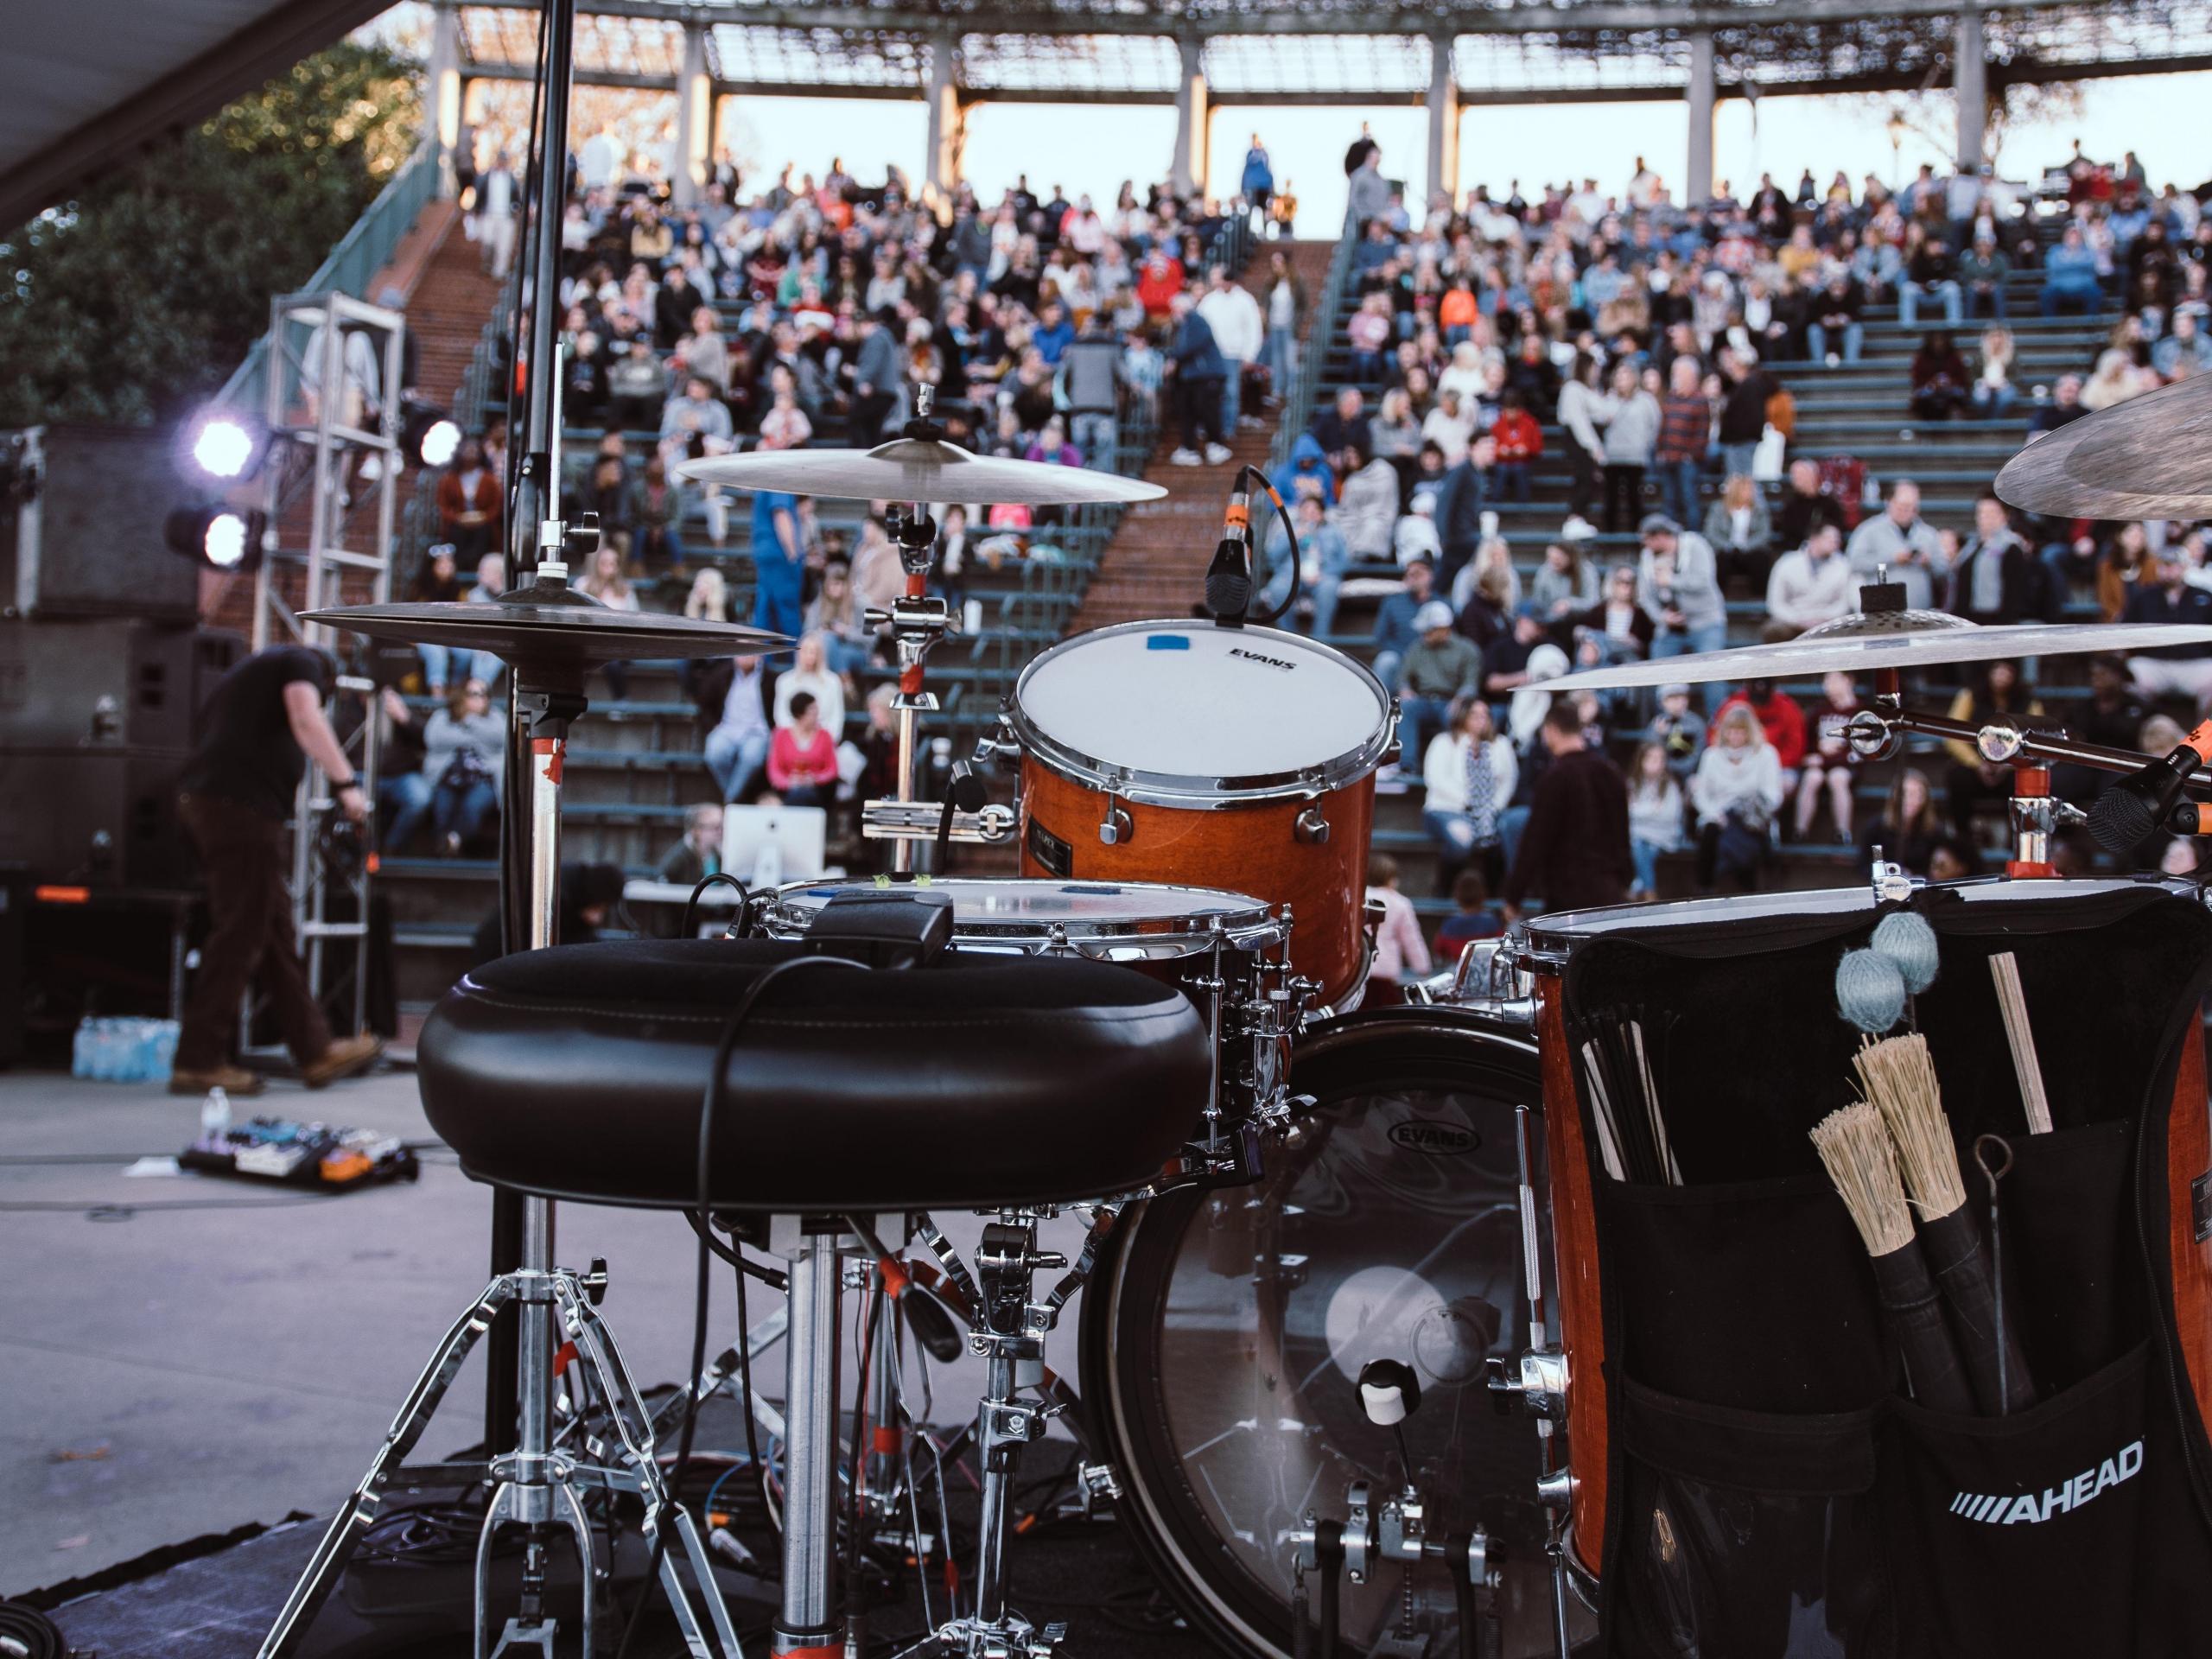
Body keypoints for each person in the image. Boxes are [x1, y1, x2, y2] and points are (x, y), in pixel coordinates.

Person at [169, 645, 383, 1096]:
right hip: (239, 809)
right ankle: (197, 1060)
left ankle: (314, 1050)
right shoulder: (302, 662)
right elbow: (305, 717)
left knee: (273, 933)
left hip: (224, 806)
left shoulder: (249, 678)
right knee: (242, 931)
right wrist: (347, 785)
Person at [1500, 698, 1634, 917]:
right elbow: (1623, 834)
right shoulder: (1611, 773)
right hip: (1608, 891)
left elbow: (1535, 840)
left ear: (1551, 729)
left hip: (1567, 898)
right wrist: (1625, 879)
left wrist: (1514, 896)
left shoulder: (1555, 777)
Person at [1422, 696, 1516, 895]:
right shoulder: (1444, 742)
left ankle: (1493, 895)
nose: (1481, 719)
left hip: (1491, 809)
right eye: (1475, 714)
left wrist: (1494, 806)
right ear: (1463, 716)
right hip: (1447, 809)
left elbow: (1509, 779)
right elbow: (1435, 779)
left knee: (1501, 835)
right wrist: (1469, 802)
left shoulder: (1500, 744)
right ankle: (1443, 890)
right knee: (1461, 840)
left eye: (1485, 714)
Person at [1942, 659, 2045, 837]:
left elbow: (2039, 742)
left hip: (2011, 769)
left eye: (2008, 671)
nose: (2002, 676)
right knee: (1957, 777)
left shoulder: (2029, 702)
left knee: (2025, 783)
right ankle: (1963, 836)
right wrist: (1977, 763)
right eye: (1998, 670)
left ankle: (2017, 838)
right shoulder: (1970, 696)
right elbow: (1952, 737)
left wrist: (2008, 766)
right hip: (1976, 766)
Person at [1690, 703, 1783, 893]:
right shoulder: (1711, 756)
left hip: (1752, 815)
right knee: (1711, 832)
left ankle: (1750, 893)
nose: (1735, 737)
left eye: (1741, 732)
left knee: (1748, 837)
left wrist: (1746, 811)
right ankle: (1704, 888)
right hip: (1718, 814)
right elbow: (1701, 795)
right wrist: (1715, 814)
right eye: (1731, 731)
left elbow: (1773, 794)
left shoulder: (1766, 754)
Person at [2123, 545, 2212, 710]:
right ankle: (2150, 731)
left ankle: (2200, 736)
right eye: (2164, 565)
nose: (2168, 570)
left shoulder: (2204, 596)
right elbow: (2125, 629)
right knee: (2132, 673)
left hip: (2195, 665)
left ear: (2184, 567)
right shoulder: (2144, 596)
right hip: (2154, 664)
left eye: (2173, 565)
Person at [1397, 601, 1482, 773]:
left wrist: (1460, 699)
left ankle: (1454, 767)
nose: (1424, 634)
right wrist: (1405, 689)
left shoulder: (1466, 649)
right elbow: (1403, 676)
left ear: (1444, 629)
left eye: (1429, 631)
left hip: (1452, 701)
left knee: (1457, 715)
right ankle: (1407, 765)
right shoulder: (1417, 648)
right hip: (1424, 700)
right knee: (1406, 708)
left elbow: (1471, 682)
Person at [1946, 494, 2053, 626]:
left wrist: (2005, 623)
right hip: (1970, 618)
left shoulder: (2011, 546)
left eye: (1991, 513)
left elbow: (2013, 592)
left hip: (1995, 620)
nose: (1985, 518)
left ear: (2004, 516)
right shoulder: (1971, 547)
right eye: (1981, 512)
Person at [1845, 480, 1946, 612]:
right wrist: (1892, 559)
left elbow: (1943, 570)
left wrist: (1929, 561)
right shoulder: (1869, 530)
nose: (1907, 511)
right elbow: (1854, 563)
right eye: (1901, 506)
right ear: (1888, 502)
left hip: (1920, 613)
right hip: (1880, 614)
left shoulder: (1928, 534)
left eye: (1912, 507)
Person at [1166, 291, 1233, 467]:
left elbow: (1190, 346)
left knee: (1208, 410)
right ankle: (1189, 448)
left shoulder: (1196, 320)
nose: (1173, 313)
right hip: (1193, 377)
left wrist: (1173, 358)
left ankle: (1216, 444)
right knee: (1189, 411)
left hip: (1207, 375)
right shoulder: (1185, 324)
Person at [1796, 671, 1864, 842]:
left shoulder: (1860, 713)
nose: (1828, 685)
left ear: (1848, 681)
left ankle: (1843, 832)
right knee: (1812, 777)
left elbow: (1860, 751)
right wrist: (1816, 749)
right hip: (1819, 765)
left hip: (1847, 766)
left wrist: (1827, 758)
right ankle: (1800, 831)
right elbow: (1806, 740)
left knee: (1837, 778)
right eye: (1826, 680)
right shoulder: (1820, 710)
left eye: (1833, 679)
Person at [700, 653, 773, 803]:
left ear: (760, 655)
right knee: (714, 752)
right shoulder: (721, 674)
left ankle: (730, 800)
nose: (745, 656)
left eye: (750, 652)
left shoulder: (770, 678)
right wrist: (713, 726)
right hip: (727, 728)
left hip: (757, 731)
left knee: (752, 757)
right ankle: (736, 799)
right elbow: (705, 703)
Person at [1764, 522, 1855, 641]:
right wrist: (1798, 620)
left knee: (1851, 629)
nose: (1836, 542)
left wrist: (1825, 619)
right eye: (1830, 538)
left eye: (1837, 539)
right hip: (1794, 619)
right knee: (1774, 630)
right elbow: (1775, 603)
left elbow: (1845, 603)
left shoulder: (1844, 565)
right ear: (1814, 539)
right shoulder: (1786, 563)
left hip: (1830, 621)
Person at [1600, 360, 1660, 534]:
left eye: (1626, 375)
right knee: (1611, 498)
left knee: (1635, 497)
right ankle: (1609, 536)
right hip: (1612, 456)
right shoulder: (1608, 400)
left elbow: (1654, 425)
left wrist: (1645, 444)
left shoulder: (1646, 400)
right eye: (1619, 376)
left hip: (1636, 456)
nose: (1622, 380)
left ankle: (1638, 535)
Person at [1363, 853, 1432, 1002]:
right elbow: (1412, 939)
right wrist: (1423, 967)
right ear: (1391, 878)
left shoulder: (1360, 898)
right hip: (1385, 972)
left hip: (1360, 969)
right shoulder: (1400, 903)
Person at [1653, 356, 1709, 527]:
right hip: (1668, 457)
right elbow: (1663, 427)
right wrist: (1660, 450)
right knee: (1669, 501)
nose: (1675, 377)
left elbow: (1702, 433)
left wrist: (1691, 455)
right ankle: (1670, 539)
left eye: (1679, 373)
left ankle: (1693, 537)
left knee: (1689, 500)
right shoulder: (1670, 398)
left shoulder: (1699, 400)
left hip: (1687, 461)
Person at [1625, 741, 1686, 899]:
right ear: (1641, 760)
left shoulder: (1670, 786)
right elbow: (1628, 812)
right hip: (1639, 835)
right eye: (1651, 758)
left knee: (1642, 846)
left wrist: (1641, 811)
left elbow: (1669, 816)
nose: (1656, 763)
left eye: (1660, 759)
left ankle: (1640, 885)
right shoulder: (1633, 784)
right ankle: (1650, 891)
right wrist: (1653, 810)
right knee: (1640, 845)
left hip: (1664, 834)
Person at [1859, 766, 1944, 875]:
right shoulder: (1876, 827)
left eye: (1918, 794)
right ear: (1894, 795)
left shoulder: (1935, 831)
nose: (1911, 800)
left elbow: (1938, 868)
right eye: (1905, 794)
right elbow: (1864, 864)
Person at [1702, 474, 1774, 594]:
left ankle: (1759, 600)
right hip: (1726, 551)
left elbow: (1764, 534)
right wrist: (1728, 546)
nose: (1751, 492)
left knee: (1760, 559)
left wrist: (1747, 546)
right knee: (1720, 560)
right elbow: (1711, 533)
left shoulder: (1760, 509)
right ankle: (1718, 598)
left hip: (1750, 550)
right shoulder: (1718, 508)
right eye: (1746, 489)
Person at [1370, 556, 1435, 690]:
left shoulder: (1441, 604)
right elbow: (1381, 637)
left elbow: (1450, 636)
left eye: (1418, 574)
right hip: (1401, 656)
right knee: (1386, 660)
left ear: (1430, 576)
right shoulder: (1393, 603)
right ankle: (1380, 706)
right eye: (1409, 574)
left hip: (1434, 658)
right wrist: (1406, 655)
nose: (1413, 578)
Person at [767, 690, 839, 807]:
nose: (817, 714)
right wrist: (789, 782)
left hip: (817, 789)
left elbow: (832, 770)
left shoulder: (825, 736)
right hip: (788, 789)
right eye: (812, 710)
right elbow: (774, 770)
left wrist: (814, 779)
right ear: (800, 713)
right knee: (795, 795)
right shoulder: (781, 735)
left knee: (803, 795)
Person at [435, 435, 501, 560]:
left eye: (474, 450)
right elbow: (443, 506)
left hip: (483, 522)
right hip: (458, 522)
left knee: (484, 533)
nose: (471, 454)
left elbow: (496, 506)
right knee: (456, 533)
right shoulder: (449, 479)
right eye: (467, 450)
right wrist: (458, 518)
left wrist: (482, 517)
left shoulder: (489, 479)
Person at [773, 631, 847, 734]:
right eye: (805, 651)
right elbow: (781, 717)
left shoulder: (833, 681)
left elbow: (836, 718)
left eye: (813, 652)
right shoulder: (784, 681)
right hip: (793, 740)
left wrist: (823, 741)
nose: (809, 656)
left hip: (823, 740)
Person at [1431, 869, 1505, 961]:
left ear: (1457, 897)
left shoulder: (1449, 924)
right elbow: (1502, 946)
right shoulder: (1492, 922)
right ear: (1483, 895)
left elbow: (1438, 949)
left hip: (1457, 968)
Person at [1646, 683, 1707, 778]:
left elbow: (1699, 754)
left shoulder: (1696, 723)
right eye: (1673, 698)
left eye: (1682, 697)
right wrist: (1661, 736)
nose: (1679, 702)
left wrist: (1683, 769)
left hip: (1691, 774)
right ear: (1663, 702)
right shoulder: (1657, 723)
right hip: (1663, 774)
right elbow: (1651, 753)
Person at [657, 802, 723, 886]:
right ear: (697, 830)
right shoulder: (679, 858)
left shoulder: (716, 853)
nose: (720, 832)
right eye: (715, 827)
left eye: (722, 826)